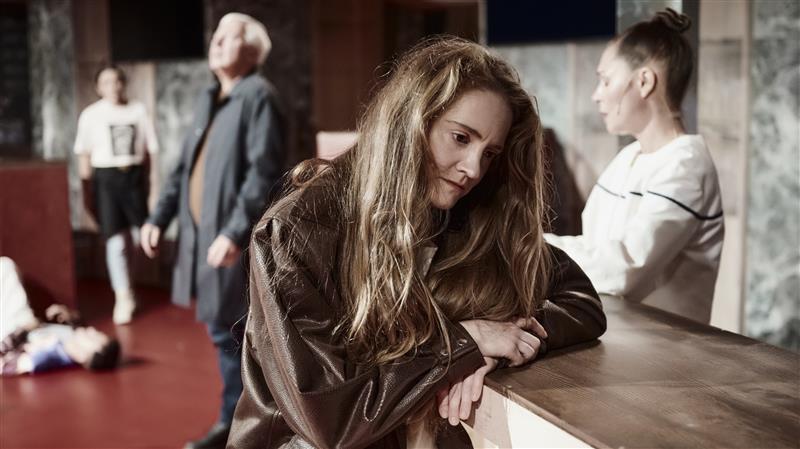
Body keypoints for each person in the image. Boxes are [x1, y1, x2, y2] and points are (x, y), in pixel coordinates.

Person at [227, 36, 607, 449]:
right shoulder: (297, 228)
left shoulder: (465, 213)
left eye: (490, 153)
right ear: (411, 120)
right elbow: (330, 419)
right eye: (461, 138)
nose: (473, 169)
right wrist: (463, 344)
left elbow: (580, 302)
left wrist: (508, 340)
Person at [140, 12, 286, 449]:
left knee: (236, 336)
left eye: (229, 36)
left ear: (253, 52)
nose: (217, 42)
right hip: (203, 239)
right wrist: (158, 217)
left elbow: (263, 173)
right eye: (216, 35)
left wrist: (234, 231)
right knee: (223, 332)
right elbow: (182, 169)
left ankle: (235, 426)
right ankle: (239, 422)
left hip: (231, 243)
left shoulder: (259, 96)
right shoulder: (210, 99)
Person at [545, 9, 724, 324]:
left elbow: (625, 268)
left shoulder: (686, 165)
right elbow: (595, 247)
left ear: (644, 81)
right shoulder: (628, 157)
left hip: (666, 346)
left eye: (605, 80)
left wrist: (535, 248)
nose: (597, 95)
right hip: (615, 331)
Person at [74, 65, 160, 325]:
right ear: (98, 87)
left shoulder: (138, 110)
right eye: (106, 82)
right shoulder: (91, 114)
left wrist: (150, 185)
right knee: (115, 241)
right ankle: (123, 296)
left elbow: (149, 152)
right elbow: (84, 155)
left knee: (138, 238)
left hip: (133, 177)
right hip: (105, 179)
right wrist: (86, 191)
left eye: (117, 81)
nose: (113, 86)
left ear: (124, 84)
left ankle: (128, 286)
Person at [0, 257, 121, 376]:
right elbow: (79, 327)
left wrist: (25, 329)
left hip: (11, 329)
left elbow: (5, 364)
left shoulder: (46, 356)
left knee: (6, 267)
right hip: (26, 321)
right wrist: (68, 316)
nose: (92, 330)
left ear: (84, 355)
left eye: (93, 337)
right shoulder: (72, 339)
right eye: (97, 333)